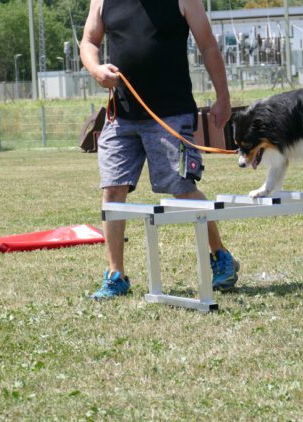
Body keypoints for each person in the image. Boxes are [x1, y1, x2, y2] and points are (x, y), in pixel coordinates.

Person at [80, 0, 239, 299]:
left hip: (171, 114)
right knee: (112, 190)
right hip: (121, 116)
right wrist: (95, 69)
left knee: (182, 189)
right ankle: (116, 276)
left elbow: (208, 46)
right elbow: (89, 41)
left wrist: (223, 97)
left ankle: (220, 255)